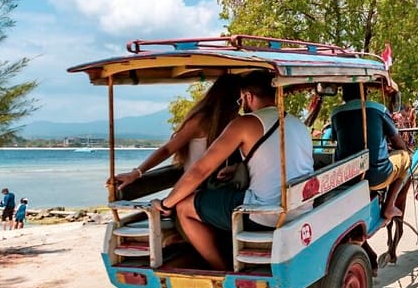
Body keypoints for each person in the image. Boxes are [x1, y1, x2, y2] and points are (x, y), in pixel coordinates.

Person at [150, 71, 314, 270]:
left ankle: (221, 269)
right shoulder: (299, 125)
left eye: (241, 98)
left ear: (248, 96)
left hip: (265, 215)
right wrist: (237, 168)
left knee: (184, 207)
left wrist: (167, 203)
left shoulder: (245, 123)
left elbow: (200, 170)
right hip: (301, 209)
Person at [114, 75, 242, 190]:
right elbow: (168, 149)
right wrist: (136, 173)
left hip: (218, 186)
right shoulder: (202, 121)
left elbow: (167, 149)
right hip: (200, 187)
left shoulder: (235, 121)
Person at [330, 83, 412, 220]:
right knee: (405, 157)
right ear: (365, 92)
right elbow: (397, 142)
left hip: (346, 177)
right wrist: (403, 150)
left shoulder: (336, 113)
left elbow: (335, 138)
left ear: (343, 93)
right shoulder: (378, 109)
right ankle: (389, 205)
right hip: (376, 177)